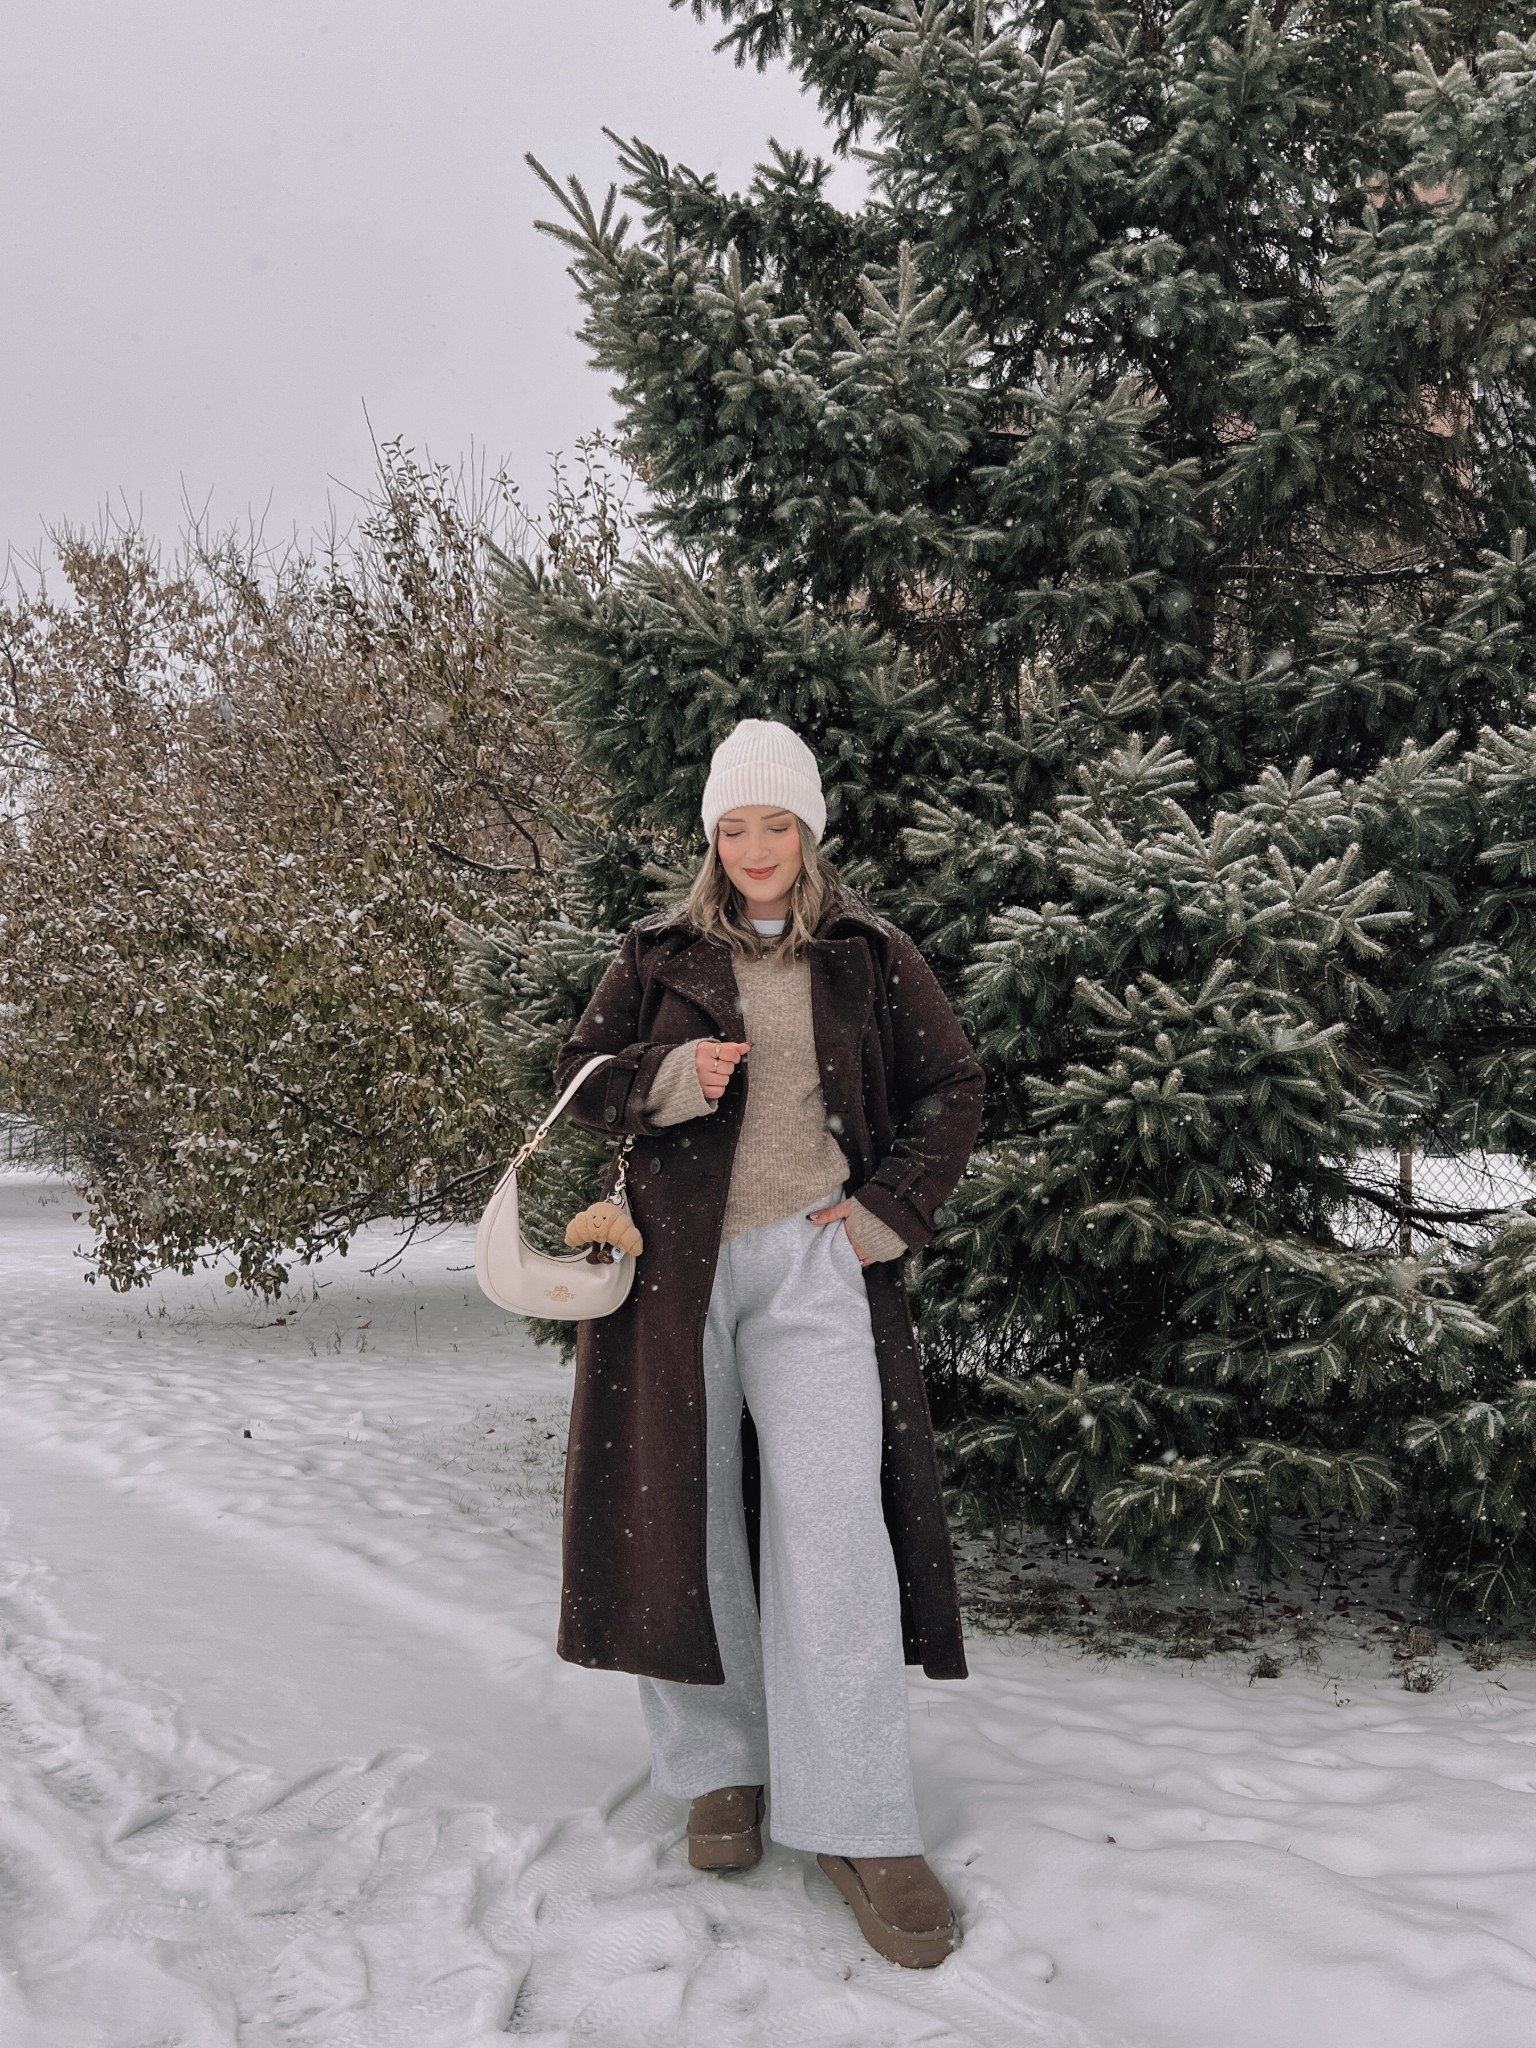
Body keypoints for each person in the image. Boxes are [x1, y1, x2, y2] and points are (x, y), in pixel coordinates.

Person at [552, 718, 984, 1969]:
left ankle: (859, 1816)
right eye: (733, 826)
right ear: (711, 835)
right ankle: (721, 1766)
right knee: (681, 1515)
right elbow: (578, 1082)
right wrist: (671, 1070)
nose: (753, 848)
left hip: (812, 1260)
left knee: (834, 1526)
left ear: (809, 830)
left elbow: (954, 1085)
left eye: (775, 824)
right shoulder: (654, 953)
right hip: (670, 1274)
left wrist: (887, 1212)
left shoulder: (868, 953)